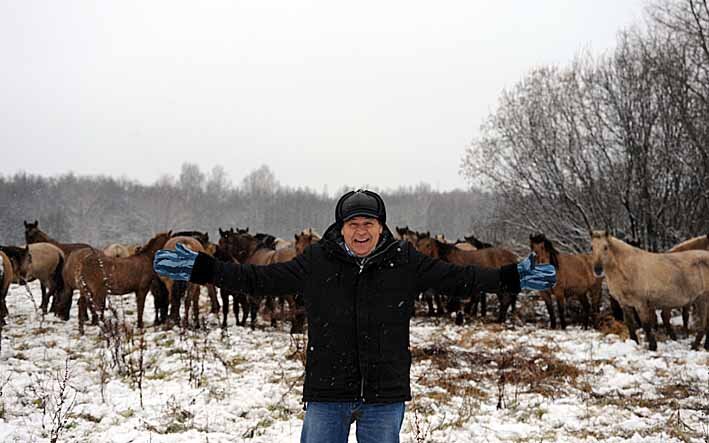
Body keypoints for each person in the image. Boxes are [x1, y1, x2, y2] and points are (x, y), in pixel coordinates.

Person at [153, 189, 556, 443]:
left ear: (381, 227)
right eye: (353, 223)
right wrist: (202, 269)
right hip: (328, 393)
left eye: (369, 223)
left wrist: (512, 277)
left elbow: (462, 278)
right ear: (341, 228)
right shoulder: (317, 261)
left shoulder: (405, 262)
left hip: (384, 395)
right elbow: (257, 279)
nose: (361, 230)